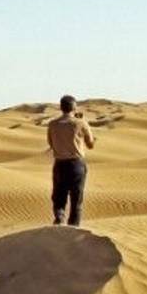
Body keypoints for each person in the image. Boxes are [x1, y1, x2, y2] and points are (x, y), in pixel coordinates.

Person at [46, 94, 95, 226]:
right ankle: (73, 227)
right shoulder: (81, 123)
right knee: (76, 199)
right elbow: (90, 145)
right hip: (76, 165)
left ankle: (59, 217)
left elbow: (51, 144)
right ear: (74, 107)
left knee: (58, 198)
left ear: (61, 108)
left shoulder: (52, 124)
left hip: (60, 165)